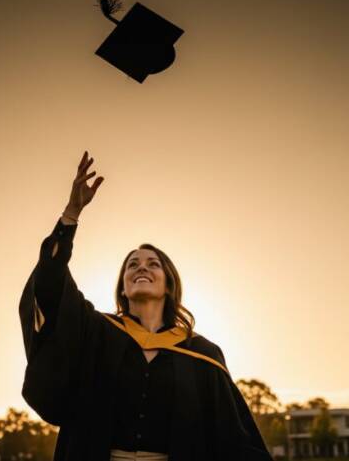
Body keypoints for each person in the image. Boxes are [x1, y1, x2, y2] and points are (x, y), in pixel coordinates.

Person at [18, 151, 271, 461]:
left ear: (169, 284)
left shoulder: (202, 355)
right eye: (132, 264)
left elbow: (233, 438)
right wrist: (71, 214)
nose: (142, 268)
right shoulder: (97, 332)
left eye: (153, 264)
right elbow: (50, 286)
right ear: (123, 287)